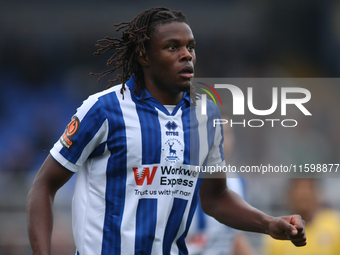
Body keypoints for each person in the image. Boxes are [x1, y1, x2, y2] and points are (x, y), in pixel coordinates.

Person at [26, 7, 306, 255]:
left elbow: (215, 197)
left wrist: (268, 223)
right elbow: (43, 186)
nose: (187, 55)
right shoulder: (104, 110)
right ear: (144, 55)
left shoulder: (206, 116)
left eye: (191, 47)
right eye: (172, 47)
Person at [263, 178, 340, 255]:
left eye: (309, 188)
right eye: (298, 188)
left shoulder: (335, 224)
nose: (303, 194)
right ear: (289, 194)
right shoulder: (278, 232)